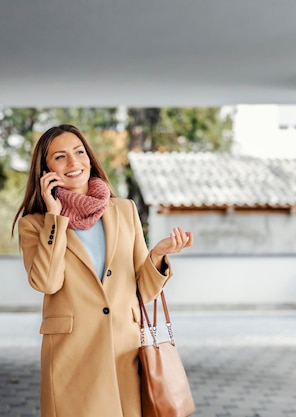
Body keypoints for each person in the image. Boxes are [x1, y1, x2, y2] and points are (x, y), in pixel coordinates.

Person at [12, 124, 193, 417]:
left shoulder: (124, 210)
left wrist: (157, 256)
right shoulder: (35, 224)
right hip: (73, 355)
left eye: (79, 152)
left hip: (125, 350)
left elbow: (142, 291)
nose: (73, 163)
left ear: (90, 157)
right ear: (45, 170)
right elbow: (46, 282)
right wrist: (54, 218)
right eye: (60, 157)